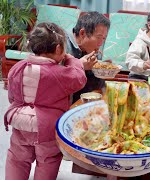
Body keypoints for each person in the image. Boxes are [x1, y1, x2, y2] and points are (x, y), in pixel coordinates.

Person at [4, 22, 87, 180]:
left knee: (17, 158)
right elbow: (79, 78)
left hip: (20, 122)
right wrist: (71, 59)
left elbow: (12, 97)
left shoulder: (17, 67)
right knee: (48, 160)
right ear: (58, 49)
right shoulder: (59, 74)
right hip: (46, 128)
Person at [66, 11, 110, 103]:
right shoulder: (63, 45)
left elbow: (93, 84)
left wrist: (101, 71)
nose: (101, 43)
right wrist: (80, 65)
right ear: (82, 33)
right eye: (98, 37)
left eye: (103, 38)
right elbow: (56, 79)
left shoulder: (90, 48)